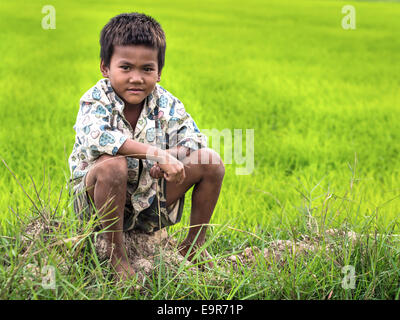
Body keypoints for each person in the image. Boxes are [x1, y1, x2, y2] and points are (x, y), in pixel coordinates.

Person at [68, 12, 225, 282]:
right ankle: (116, 254)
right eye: (126, 67)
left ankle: (194, 247)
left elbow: (194, 139)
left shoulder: (167, 104)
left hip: (148, 202)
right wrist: (157, 154)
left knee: (211, 161)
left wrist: (172, 159)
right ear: (105, 67)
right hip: (99, 205)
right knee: (112, 164)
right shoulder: (95, 99)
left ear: (159, 72)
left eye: (147, 69)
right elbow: (99, 138)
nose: (137, 78)